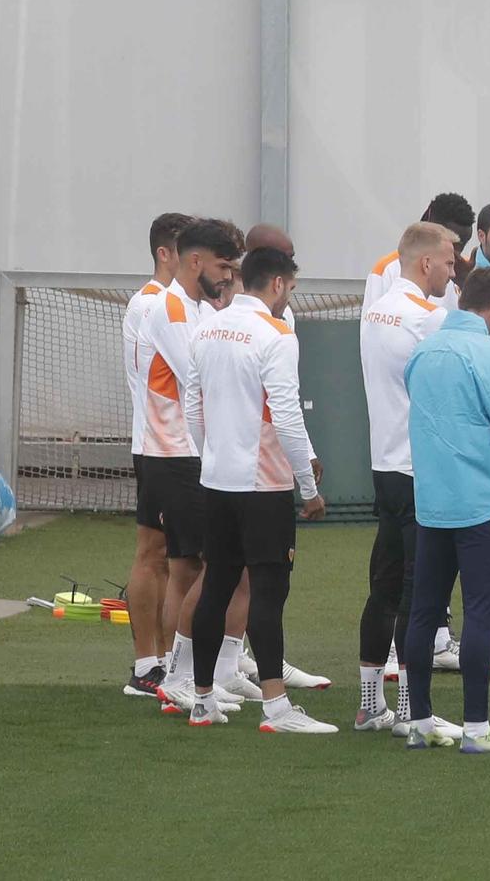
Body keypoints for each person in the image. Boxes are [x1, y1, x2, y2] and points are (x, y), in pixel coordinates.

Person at [185, 246, 331, 734]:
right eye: (289, 288)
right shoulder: (277, 334)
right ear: (277, 285)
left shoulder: (205, 327)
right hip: (263, 484)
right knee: (269, 591)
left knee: (216, 586)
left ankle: (201, 698)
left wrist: (214, 454)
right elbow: (287, 415)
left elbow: (192, 405)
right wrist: (307, 485)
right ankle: (276, 706)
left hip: (218, 479)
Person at [403, 268, 490, 754]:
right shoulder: (489, 354)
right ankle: (477, 729)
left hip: (432, 502)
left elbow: (440, 422)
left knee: (424, 612)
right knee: (480, 612)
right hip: (480, 504)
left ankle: (418, 722)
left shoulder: (422, 351)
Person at [355, 221, 458, 733]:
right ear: (424, 263)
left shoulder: (375, 309)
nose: (453, 268)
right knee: (421, 595)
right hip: (420, 469)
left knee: (385, 587)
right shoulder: (430, 316)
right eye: (449, 260)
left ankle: (371, 703)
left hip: (385, 465)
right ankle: (416, 713)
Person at [139, 218, 244, 718]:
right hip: (177, 455)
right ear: (195, 260)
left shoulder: (200, 307)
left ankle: (190, 672)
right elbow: (200, 377)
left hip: (191, 454)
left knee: (193, 566)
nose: (227, 276)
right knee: (198, 567)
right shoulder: (171, 308)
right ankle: (178, 675)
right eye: (223, 266)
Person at [121, 211, 192, 698]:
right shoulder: (151, 305)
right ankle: (148, 664)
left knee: (180, 557)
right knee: (156, 554)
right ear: (165, 254)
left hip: (175, 447)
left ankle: (172, 661)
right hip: (160, 446)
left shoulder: (176, 303)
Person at [365, 193, 475, 313]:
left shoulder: (467, 271)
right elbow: (371, 326)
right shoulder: (387, 269)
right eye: (451, 243)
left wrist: (466, 285)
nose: (455, 254)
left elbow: (485, 327)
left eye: (463, 245)